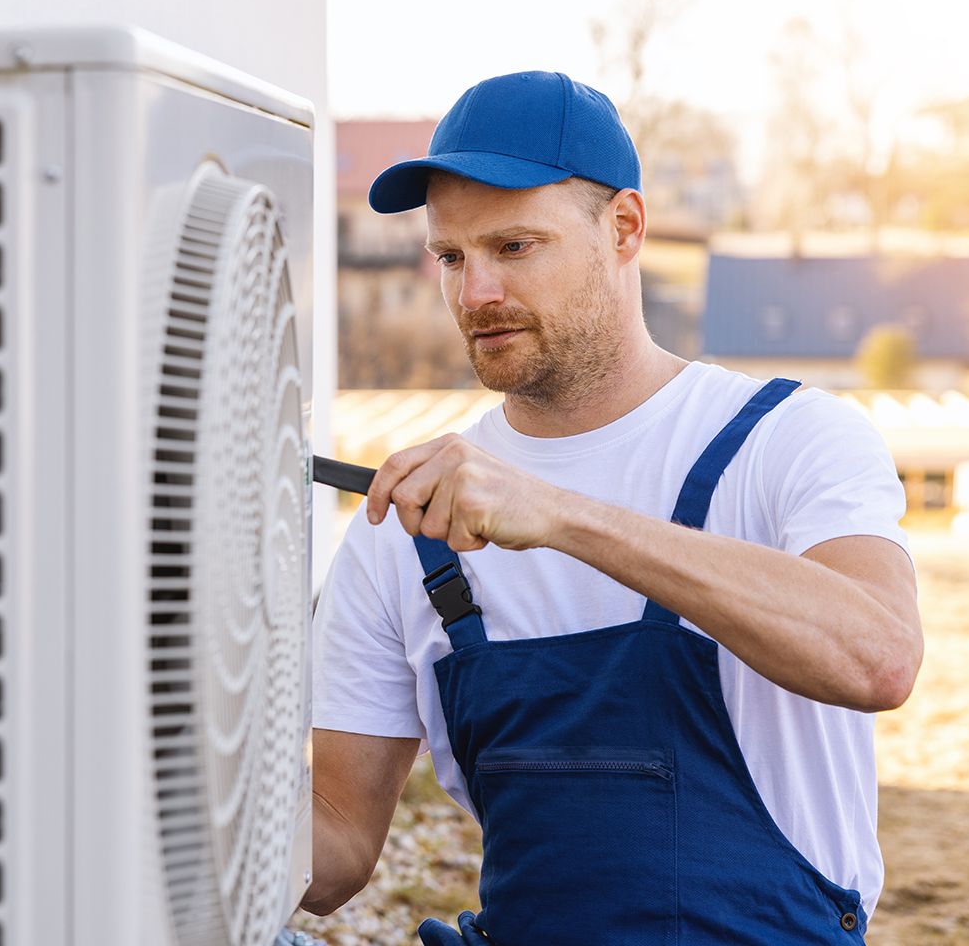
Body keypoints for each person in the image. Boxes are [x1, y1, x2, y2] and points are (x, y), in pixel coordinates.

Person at [301, 71, 922, 944]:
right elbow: (334, 848)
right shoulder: (403, 528)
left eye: (514, 247)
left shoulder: (786, 440)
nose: (475, 293)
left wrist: (563, 515)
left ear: (625, 226)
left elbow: (879, 658)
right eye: (451, 256)